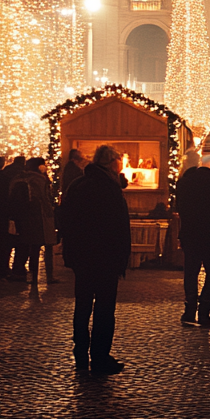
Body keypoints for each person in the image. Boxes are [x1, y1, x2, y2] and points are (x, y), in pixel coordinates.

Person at [60, 145, 131, 374]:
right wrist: (121, 256)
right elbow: (117, 227)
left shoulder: (78, 185)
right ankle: (99, 356)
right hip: (105, 257)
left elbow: (66, 220)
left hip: (82, 256)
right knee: (103, 307)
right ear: (111, 163)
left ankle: (81, 352)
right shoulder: (109, 188)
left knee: (82, 305)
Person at [176, 152, 210, 328]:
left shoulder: (184, 184)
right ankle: (204, 310)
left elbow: (180, 208)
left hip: (191, 235)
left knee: (191, 272)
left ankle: (190, 309)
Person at [9, 157, 60, 286]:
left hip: (23, 218)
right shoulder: (39, 180)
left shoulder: (18, 178)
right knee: (45, 246)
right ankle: (47, 276)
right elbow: (45, 199)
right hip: (41, 218)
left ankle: (25, 274)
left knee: (28, 245)